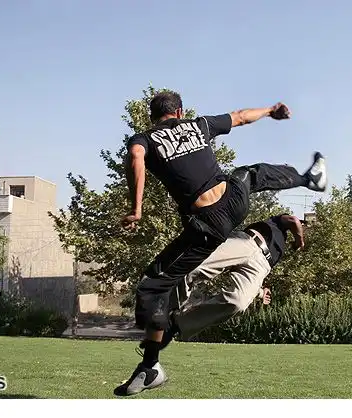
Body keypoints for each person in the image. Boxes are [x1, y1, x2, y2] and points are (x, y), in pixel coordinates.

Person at [114, 91, 327, 396]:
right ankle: (308, 179)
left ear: (152, 117)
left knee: (154, 286)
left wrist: (136, 208)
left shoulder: (144, 139)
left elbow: (135, 157)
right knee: (249, 174)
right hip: (234, 201)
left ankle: (151, 364)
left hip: (207, 224)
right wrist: (270, 110)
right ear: (180, 112)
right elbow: (240, 117)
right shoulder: (197, 125)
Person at [161, 213, 305, 348]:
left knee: (238, 303)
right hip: (247, 243)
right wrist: (300, 242)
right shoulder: (278, 223)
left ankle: (176, 325)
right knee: (194, 267)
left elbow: (252, 275)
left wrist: (260, 292)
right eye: (303, 225)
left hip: (263, 264)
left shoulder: (280, 245)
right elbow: (294, 221)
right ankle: (166, 313)